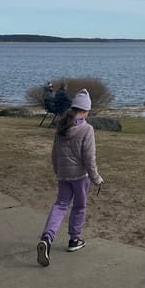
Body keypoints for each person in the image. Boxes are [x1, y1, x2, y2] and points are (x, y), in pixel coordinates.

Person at [37, 89, 103, 267]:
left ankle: (47, 237)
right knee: (80, 207)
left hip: (63, 174)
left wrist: (58, 170)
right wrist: (96, 178)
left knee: (60, 205)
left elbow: (54, 153)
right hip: (81, 176)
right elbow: (90, 158)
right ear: (86, 110)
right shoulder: (87, 129)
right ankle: (74, 239)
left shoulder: (62, 126)